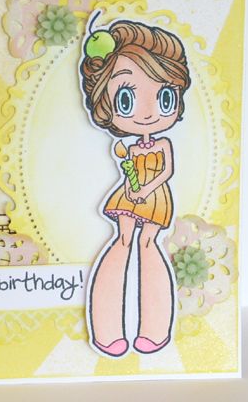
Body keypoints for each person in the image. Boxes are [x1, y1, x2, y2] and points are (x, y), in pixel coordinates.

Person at [79, 18, 191, 356]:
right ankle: (106, 331)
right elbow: (128, 168)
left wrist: (145, 187)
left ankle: (154, 331)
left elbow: (165, 171)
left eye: (164, 96)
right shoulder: (127, 147)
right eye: (126, 99)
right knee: (123, 240)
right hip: (130, 194)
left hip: (153, 197)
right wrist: (131, 180)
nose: (146, 114)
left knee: (148, 243)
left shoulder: (163, 144)